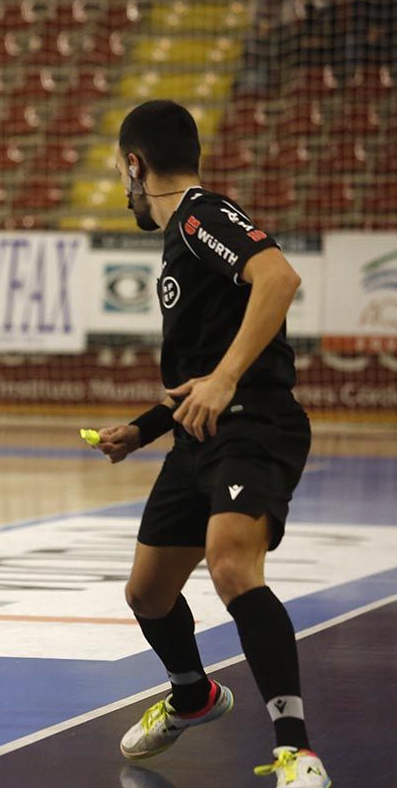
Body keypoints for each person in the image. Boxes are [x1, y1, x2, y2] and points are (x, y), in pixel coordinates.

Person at [87, 100, 329, 788]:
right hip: (196, 438)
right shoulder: (179, 241)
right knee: (148, 595)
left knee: (230, 565)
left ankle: (298, 751)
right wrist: (143, 428)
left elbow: (278, 276)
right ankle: (194, 696)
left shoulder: (198, 217)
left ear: (135, 165)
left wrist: (224, 380)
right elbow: (198, 379)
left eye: (120, 170)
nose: (122, 184)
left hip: (254, 424)